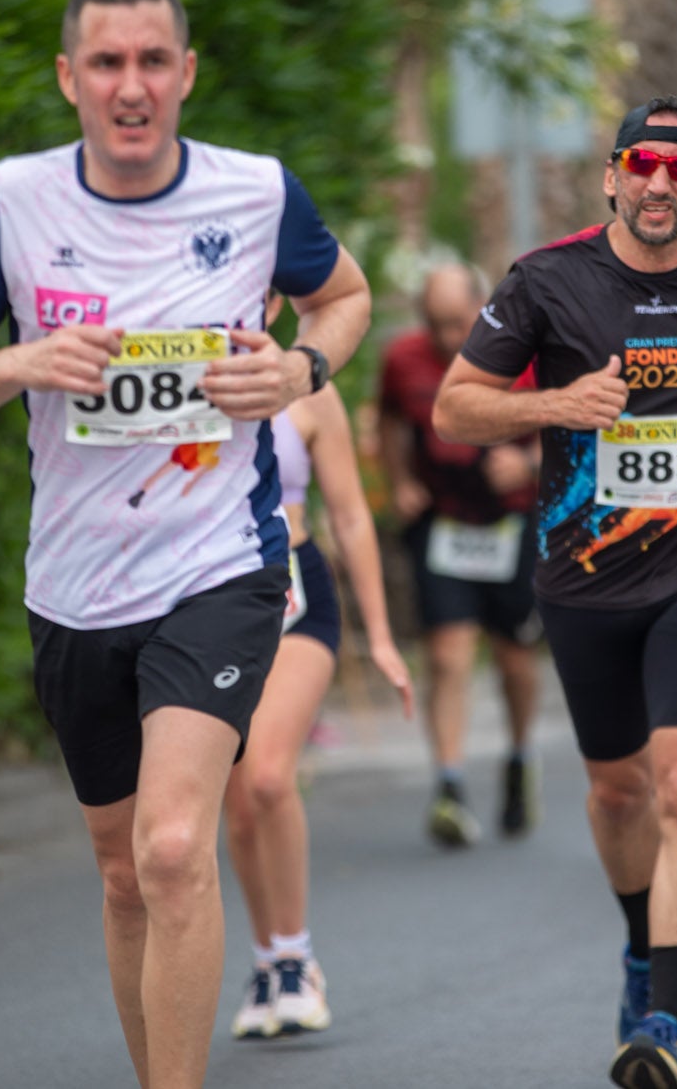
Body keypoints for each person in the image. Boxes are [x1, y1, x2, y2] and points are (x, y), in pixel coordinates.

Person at [0, 0, 371, 1089]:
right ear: (68, 77)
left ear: (186, 73)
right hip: (73, 585)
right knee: (122, 874)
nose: (131, 86)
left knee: (171, 848)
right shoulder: (13, 201)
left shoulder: (255, 193)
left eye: (153, 61)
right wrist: (21, 362)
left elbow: (345, 295)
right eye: (107, 63)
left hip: (220, 564)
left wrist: (300, 368)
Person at [435, 97, 677, 1089]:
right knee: (619, 789)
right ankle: (639, 943)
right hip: (584, 577)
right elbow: (455, 407)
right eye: (642, 165)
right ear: (612, 177)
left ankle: (662, 1019)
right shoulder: (547, 279)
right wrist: (555, 403)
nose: (659, 184)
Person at [224, 299, 414, 1042]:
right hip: (210, 597)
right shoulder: (183, 381)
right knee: (239, 801)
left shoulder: (309, 387)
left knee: (270, 775)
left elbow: (352, 516)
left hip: (297, 592)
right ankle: (265, 959)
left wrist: (382, 637)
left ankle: (297, 958)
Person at [378, 263, 544, 846]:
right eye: (436, 324)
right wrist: (400, 481)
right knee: (447, 657)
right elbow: (390, 422)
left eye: (458, 322)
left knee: (514, 660)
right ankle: (449, 785)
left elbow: (579, 422)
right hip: (443, 521)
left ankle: (519, 756)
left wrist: (528, 463)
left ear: (483, 305)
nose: (449, 337)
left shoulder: (529, 353)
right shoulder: (403, 358)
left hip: (514, 520)